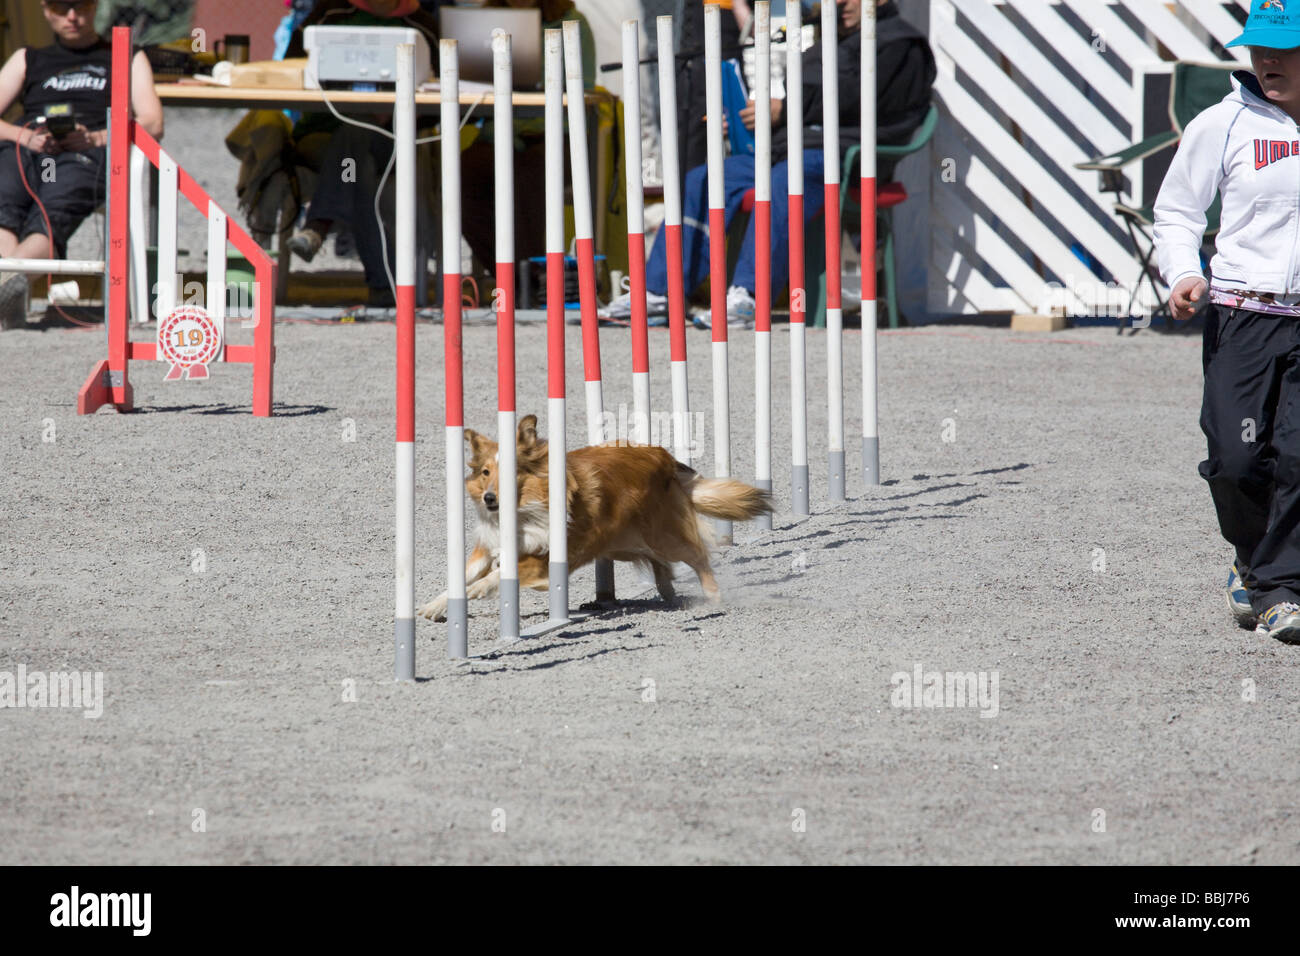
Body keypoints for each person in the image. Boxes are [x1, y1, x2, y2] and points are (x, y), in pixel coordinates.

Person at [603, 0, 934, 325]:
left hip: (850, 155)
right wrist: (752, 117)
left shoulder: (900, 43)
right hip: (792, 147)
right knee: (703, 179)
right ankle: (661, 292)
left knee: (786, 179)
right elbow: (806, 101)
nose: (841, 3)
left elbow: (860, 100)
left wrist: (784, 111)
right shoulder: (831, 38)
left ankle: (748, 295)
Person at [1155, 0, 1300, 643]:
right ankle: (1250, 556)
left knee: (1298, 456)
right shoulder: (1222, 123)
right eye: (1259, 46)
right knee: (1239, 460)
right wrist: (1184, 274)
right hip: (1244, 313)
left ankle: (1279, 588)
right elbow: (1178, 211)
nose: (1268, 59)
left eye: (1286, 47)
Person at [0, 0, 163, 329]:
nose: (72, 17)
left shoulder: (125, 55)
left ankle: (9, 281)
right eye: (62, 9)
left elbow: (152, 122)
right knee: (4, 196)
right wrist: (22, 135)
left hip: (85, 153)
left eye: (81, 7)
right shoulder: (29, 58)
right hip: (28, 146)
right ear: (46, 11)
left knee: (53, 207)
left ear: (95, 8)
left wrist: (96, 138)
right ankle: (9, 291)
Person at [280, 0, 439, 307]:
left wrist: (394, 113)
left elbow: (445, 92)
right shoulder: (329, 14)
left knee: (357, 136)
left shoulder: (422, 25)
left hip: (390, 139)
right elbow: (291, 70)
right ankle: (383, 289)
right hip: (328, 138)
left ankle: (319, 224)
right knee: (358, 169)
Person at [458, 0, 595, 275]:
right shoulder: (485, 22)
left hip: (555, 136)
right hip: (499, 136)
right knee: (461, 172)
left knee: (525, 174)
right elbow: (471, 86)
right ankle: (510, 274)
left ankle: (532, 277)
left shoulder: (572, 23)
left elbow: (585, 90)